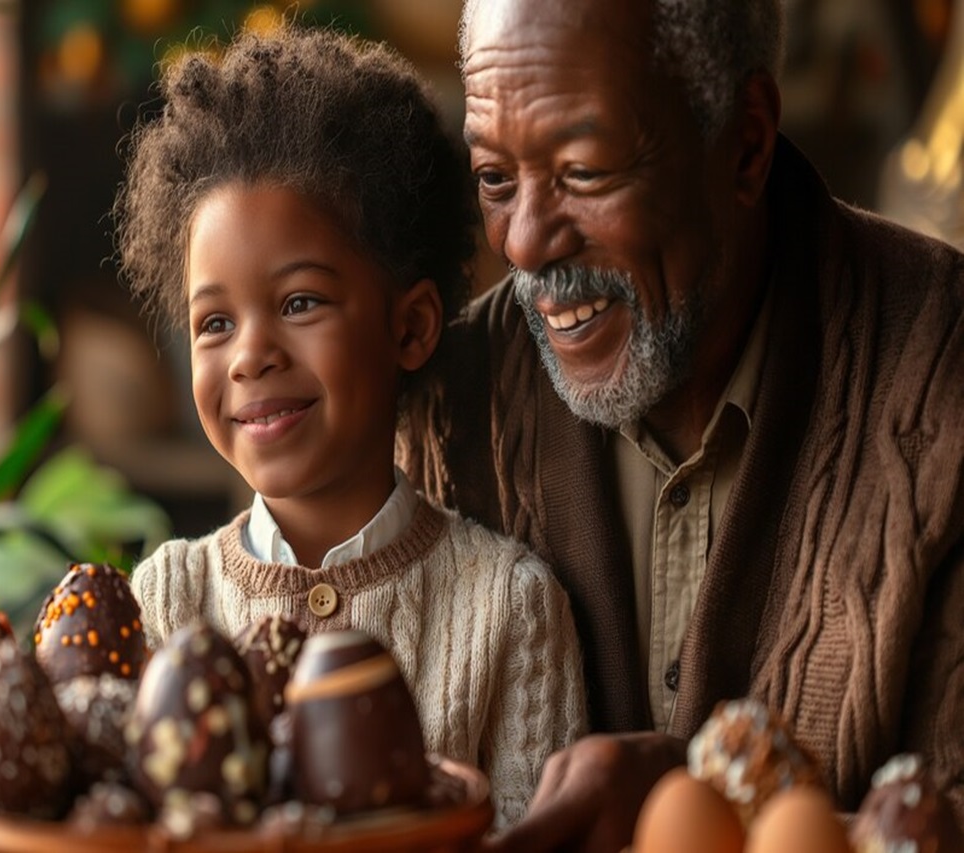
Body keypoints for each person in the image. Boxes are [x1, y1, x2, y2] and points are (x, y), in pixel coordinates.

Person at [397, 0, 964, 849]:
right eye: (495, 179)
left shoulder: (941, 380)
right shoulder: (443, 408)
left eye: (584, 171)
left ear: (744, 143)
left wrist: (689, 799)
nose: (523, 243)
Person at [114, 24, 587, 828]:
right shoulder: (165, 599)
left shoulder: (508, 609)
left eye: (300, 303)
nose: (250, 355)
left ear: (410, 328)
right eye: (214, 323)